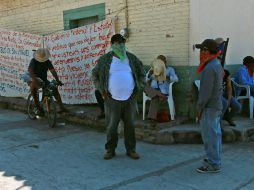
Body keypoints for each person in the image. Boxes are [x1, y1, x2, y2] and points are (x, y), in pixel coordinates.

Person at [92, 34, 145, 160]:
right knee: (111, 126)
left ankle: (131, 150)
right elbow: (95, 75)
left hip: (130, 99)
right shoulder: (105, 60)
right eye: (117, 44)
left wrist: (138, 88)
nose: (120, 47)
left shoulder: (131, 58)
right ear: (112, 45)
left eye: (122, 44)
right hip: (112, 100)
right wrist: (102, 91)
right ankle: (110, 150)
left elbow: (142, 73)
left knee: (130, 126)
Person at [195, 39, 223, 173]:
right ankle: (215, 159)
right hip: (216, 105)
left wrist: (199, 108)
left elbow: (205, 92)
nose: (200, 53)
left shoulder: (210, 67)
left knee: (209, 136)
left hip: (209, 107)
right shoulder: (217, 64)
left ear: (206, 51)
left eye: (202, 50)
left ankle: (213, 163)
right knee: (215, 135)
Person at [28, 48, 67, 116]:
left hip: (44, 80)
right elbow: (30, 71)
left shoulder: (47, 61)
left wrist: (58, 80)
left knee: (54, 89)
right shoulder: (33, 61)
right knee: (33, 89)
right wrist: (35, 80)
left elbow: (52, 71)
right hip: (34, 79)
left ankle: (61, 107)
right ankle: (38, 107)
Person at [215, 38, 241, 126]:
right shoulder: (212, 65)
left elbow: (229, 86)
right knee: (224, 103)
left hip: (224, 92)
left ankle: (228, 117)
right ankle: (218, 123)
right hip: (215, 93)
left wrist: (229, 98)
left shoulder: (225, 70)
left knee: (237, 106)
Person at [144, 55, 178, 120]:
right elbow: (145, 80)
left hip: (163, 90)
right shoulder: (153, 69)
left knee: (155, 97)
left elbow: (176, 79)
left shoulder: (169, 69)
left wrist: (166, 77)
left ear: (165, 62)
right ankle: (160, 95)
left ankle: (151, 117)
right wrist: (149, 74)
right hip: (153, 89)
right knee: (144, 86)